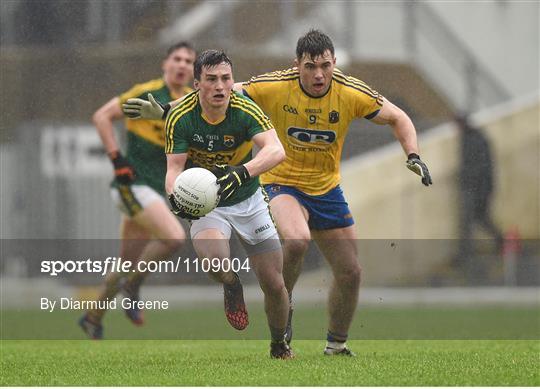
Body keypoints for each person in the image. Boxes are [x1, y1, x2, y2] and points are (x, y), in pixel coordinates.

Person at [125, 30, 432, 356]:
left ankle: (336, 344)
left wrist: (412, 154)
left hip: (326, 188)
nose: (318, 74)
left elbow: (398, 118)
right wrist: (163, 110)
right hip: (280, 183)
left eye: (325, 66)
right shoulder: (273, 85)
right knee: (297, 239)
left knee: (351, 272)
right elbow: (217, 92)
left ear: (334, 64)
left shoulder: (348, 91)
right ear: (296, 64)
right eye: (311, 66)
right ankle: (283, 306)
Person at [164, 49, 292, 359]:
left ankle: (279, 343)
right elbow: (173, 171)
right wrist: (175, 198)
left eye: (226, 78)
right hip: (209, 203)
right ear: (197, 84)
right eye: (211, 79)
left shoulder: (245, 109)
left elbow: (276, 151)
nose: (220, 86)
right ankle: (231, 284)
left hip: (249, 199)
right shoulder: (180, 117)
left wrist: (243, 172)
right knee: (215, 262)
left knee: (274, 283)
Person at [78, 42, 196, 339]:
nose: (182, 65)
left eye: (188, 61)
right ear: (165, 63)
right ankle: (134, 283)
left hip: (154, 193)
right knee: (173, 237)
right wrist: (117, 159)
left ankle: (92, 317)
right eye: (177, 59)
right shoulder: (147, 92)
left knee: (126, 263)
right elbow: (101, 116)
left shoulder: (188, 103)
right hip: (132, 186)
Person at [455, 113, 503, 268]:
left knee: (468, 222)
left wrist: (466, 181)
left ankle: (466, 256)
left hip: (475, 188)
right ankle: (500, 241)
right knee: (480, 218)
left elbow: (474, 167)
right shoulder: (478, 138)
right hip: (481, 187)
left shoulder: (471, 140)